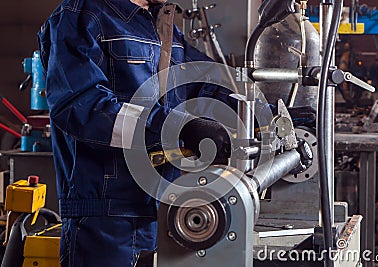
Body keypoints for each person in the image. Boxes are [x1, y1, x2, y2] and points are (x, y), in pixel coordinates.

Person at [38, 0, 238, 266]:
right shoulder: (80, 15)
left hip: (165, 214)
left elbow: (208, 85)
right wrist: (178, 129)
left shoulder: (159, 26)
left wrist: (271, 115)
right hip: (106, 224)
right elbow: (82, 106)